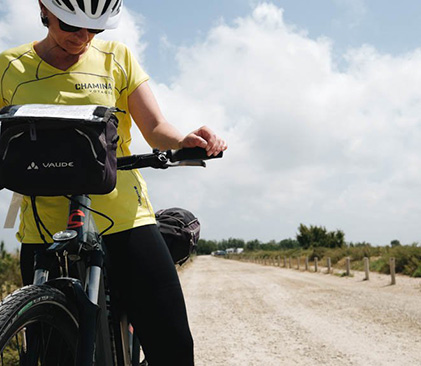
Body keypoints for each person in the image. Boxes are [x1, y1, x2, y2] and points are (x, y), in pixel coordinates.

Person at [0, 0, 227, 364]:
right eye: (71, 26)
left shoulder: (116, 57)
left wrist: (184, 140)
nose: (83, 37)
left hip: (124, 217)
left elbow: (154, 127)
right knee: (53, 355)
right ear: (44, 9)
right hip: (44, 226)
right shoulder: (9, 66)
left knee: (173, 346)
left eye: (95, 29)